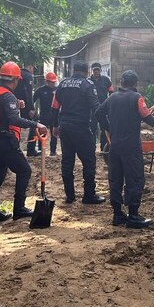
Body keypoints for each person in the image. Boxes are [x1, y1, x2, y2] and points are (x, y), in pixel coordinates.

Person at [0, 62, 48, 224]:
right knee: (24, 171)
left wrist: (16, 104)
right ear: (14, 80)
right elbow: (13, 119)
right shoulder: (7, 95)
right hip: (4, 141)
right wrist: (36, 124)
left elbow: (3, 112)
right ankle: (19, 208)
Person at [95, 70, 154, 229]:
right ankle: (133, 216)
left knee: (116, 179)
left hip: (115, 146)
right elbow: (147, 117)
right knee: (135, 179)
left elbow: (98, 112)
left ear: (121, 83)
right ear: (135, 84)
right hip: (131, 147)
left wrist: (108, 128)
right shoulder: (137, 97)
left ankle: (118, 214)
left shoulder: (112, 97)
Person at [51, 61, 106, 204]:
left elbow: (55, 107)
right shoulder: (87, 85)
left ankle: (70, 196)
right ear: (87, 71)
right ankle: (89, 195)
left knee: (67, 161)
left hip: (65, 127)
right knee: (89, 161)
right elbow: (96, 107)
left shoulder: (62, 84)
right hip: (81, 127)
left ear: (74, 70)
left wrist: (55, 126)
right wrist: (106, 126)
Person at [89, 62, 113, 151]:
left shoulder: (106, 80)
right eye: (94, 70)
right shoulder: (88, 81)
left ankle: (103, 148)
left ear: (100, 70)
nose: (96, 72)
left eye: (97, 70)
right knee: (92, 129)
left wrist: (110, 104)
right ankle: (92, 148)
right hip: (92, 109)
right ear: (92, 70)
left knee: (105, 129)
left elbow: (111, 92)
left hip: (104, 108)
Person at [33, 72, 59, 157]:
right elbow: (32, 100)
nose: (52, 83)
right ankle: (41, 149)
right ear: (47, 81)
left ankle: (53, 151)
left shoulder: (57, 90)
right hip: (44, 114)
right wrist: (32, 110)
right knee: (42, 132)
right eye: (51, 82)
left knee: (54, 133)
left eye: (53, 82)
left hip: (54, 114)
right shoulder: (41, 90)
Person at [14, 63, 37, 157]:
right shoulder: (28, 76)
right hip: (24, 105)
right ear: (30, 67)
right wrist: (31, 108)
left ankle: (15, 147)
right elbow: (28, 93)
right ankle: (31, 149)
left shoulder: (16, 73)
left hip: (12, 102)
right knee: (34, 123)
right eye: (33, 69)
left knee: (14, 125)